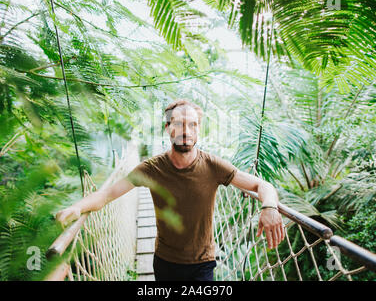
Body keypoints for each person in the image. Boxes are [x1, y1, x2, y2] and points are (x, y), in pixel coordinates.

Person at [56, 99, 285, 281]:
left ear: (198, 131)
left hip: (202, 265)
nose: (186, 130)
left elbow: (260, 185)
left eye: (192, 125)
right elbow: (107, 194)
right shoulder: (152, 169)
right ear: (168, 128)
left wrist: (270, 207)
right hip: (165, 262)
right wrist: (77, 207)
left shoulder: (213, 166)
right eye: (178, 124)